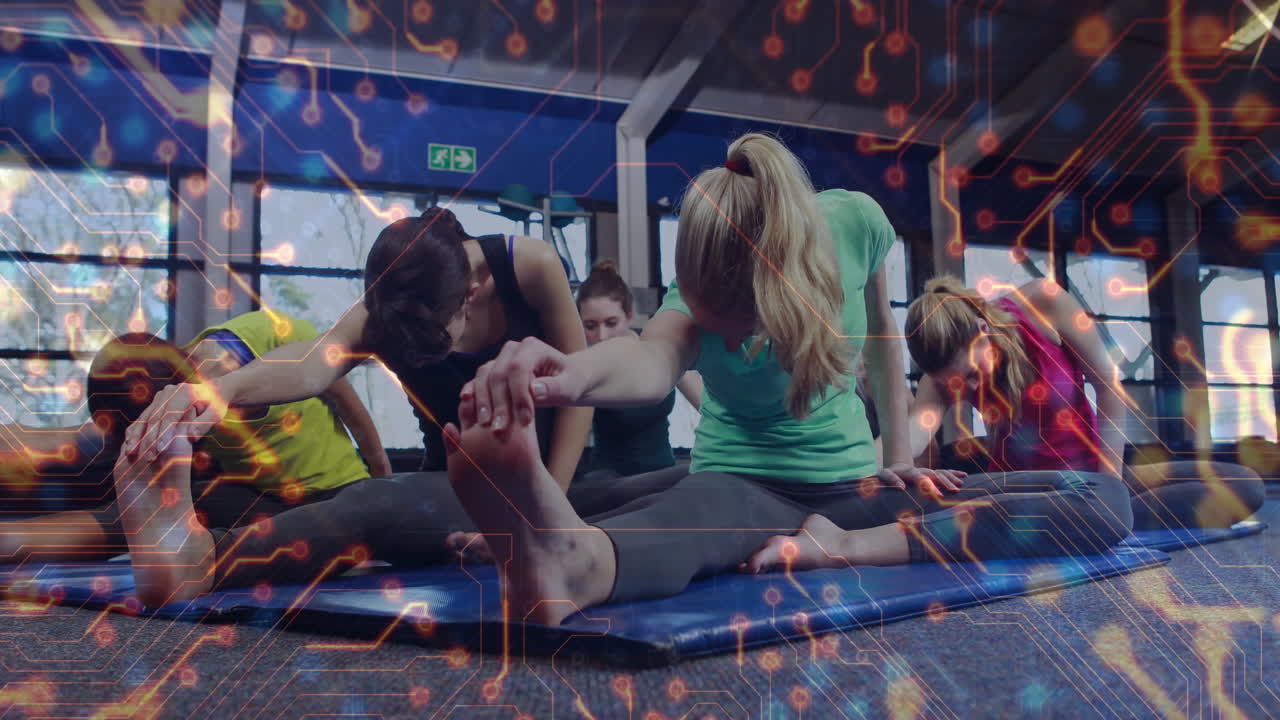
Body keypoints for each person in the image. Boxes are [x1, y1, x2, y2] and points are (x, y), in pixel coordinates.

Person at [443, 132, 1134, 626]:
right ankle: (565, 555)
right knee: (685, 514)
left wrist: (897, 458)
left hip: (847, 493)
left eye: (736, 324)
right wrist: (567, 374)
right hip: (734, 478)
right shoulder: (707, 278)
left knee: (1103, 503)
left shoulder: (856, 225)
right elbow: (651, 362)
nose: (727, 341)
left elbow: (885, 349)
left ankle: (561, 533)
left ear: (778, 292)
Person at [118, 208, 593, 606]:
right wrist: (220, 389)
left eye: (431, 342)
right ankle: (191, 551)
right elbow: (311, 364)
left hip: (542, 483)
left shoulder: (531, 267)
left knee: (665, 489)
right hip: (454, 481)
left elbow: (579, 388)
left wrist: (546, 510)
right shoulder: (392, 303)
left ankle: (207, 562)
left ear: (470, 293)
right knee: (360, 501)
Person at [0, 312, 388, 566]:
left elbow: (347, 401)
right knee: (125, 483)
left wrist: (381, 476)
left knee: (158, 509)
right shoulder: (176, 379)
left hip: (325, 499)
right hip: (256, 491)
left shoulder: (272, 341)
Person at [897, 276, 1264, 531]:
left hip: (1092, 475)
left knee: (1244, 486)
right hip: (1021, 489)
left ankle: (1086, 523)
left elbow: (1108, 387)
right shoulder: (942, 372)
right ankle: (1077, 524)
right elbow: (912, 435)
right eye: (958, 382)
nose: (971, 387)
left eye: (972, 373)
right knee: (931, 506)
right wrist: (890, 466)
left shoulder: (1043, 302)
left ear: (982, 328)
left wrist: (1110, 489)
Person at [576, 259, 703, 479]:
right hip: (607, 482)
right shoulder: (584, 364)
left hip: (662, 476)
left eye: (611, 323)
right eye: (590, 326)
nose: (601, 336)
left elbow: (708, 403)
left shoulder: (656, 349)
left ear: (628, 316)